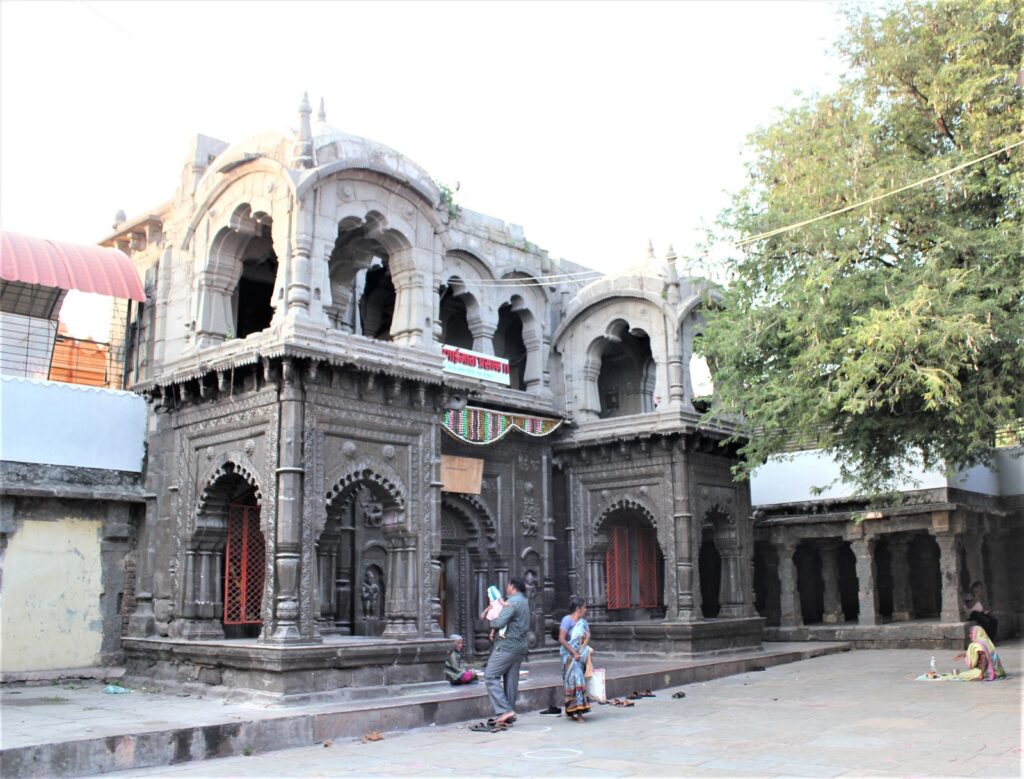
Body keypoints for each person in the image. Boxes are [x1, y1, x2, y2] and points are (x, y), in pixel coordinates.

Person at [481, 576, 531, 727]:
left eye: (508, 585)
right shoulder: (524, 601)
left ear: (513, 586)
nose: (506, 588)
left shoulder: (513, 601)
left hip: (507, 645)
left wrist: (491, 619)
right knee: (511, 681)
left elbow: (499, 621)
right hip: (520, 647)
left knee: (490, 675)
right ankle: (508, 713)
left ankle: (504, 710)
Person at [558, 595, 592, 722]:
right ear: (578, 608)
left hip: (580, 656)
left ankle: (576, 710)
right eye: (584, 607)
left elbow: (587, 637)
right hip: (569, 658)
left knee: (579, 683)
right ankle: (577, 713)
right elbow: (562, 639)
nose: (585, 610)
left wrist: (583, 651)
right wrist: (573, 653)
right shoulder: (567, 620)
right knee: (574, 683)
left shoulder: (583, 622)